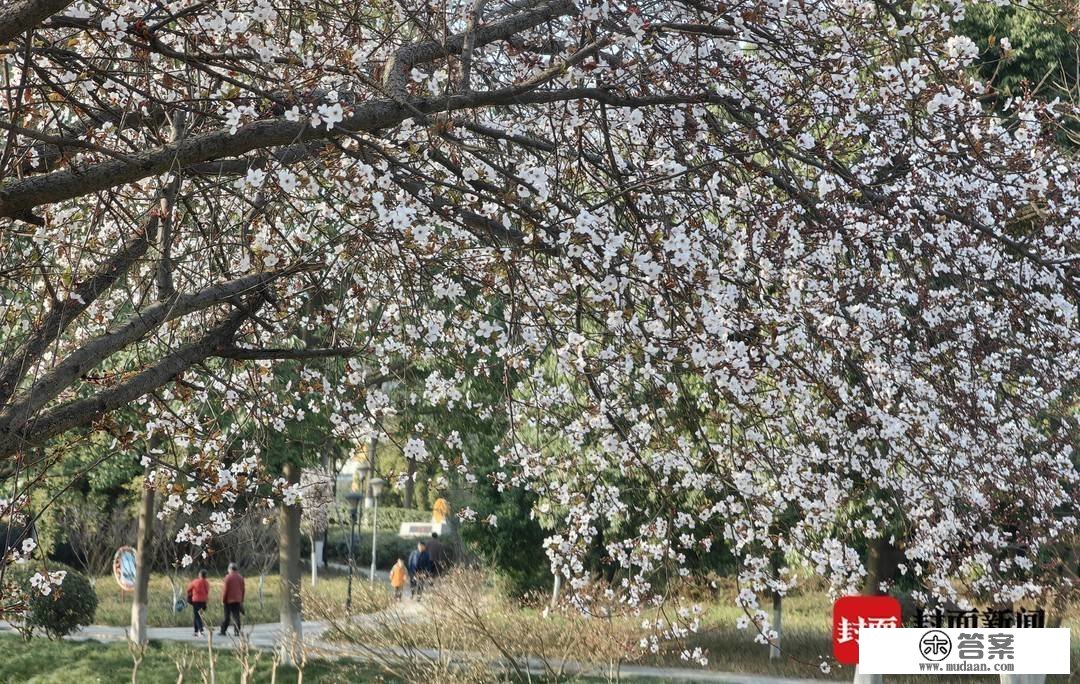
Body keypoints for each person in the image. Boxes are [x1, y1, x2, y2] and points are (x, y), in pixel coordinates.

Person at [219, 562, 245, 636]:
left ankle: (223, 631)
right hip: (237, 600)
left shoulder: (228, 577)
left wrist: (223, 600)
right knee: (236, 616)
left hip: (228, 600)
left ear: (230, 569)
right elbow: (243, 589)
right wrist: (241, 600)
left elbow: (225, 590)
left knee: (227, 616)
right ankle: (237, 632)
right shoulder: (241, 577)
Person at [186, 569, 210, 636]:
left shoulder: (195, 581)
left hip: (196, 601)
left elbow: (188, 589)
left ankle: (201, 631)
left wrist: (190, 595)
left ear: (199, 575)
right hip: (204, 601)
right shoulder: (207, 583)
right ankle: (196, 631)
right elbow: (207, 591)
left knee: (197, 616)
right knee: (198, 616)